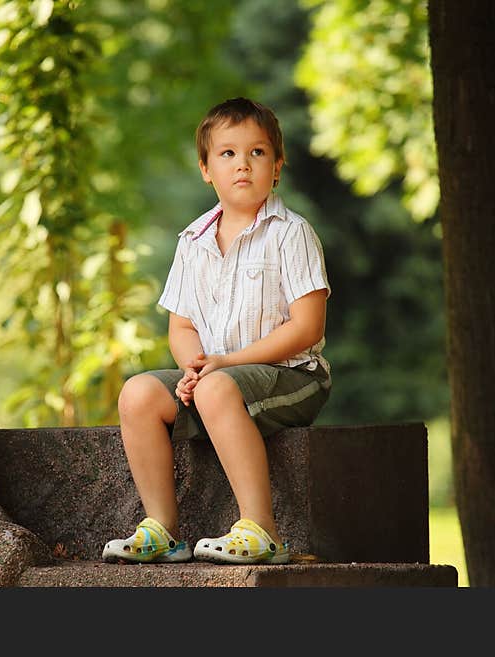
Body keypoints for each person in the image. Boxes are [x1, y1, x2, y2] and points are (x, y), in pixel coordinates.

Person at [102, 97, 330, 565]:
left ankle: (261, 531)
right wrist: (193, 366)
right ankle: (163, 530)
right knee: (139, 394)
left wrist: (223, 364)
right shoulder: (193, 241)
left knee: (217, 389)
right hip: (217, 380)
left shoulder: (291, 233)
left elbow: (308, 327)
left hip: (293, 376)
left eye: (257, 153)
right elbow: (182, 325)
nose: (242, 165)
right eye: (227, 154)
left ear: (277, 166)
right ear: (206, 168)